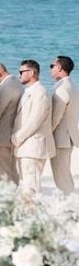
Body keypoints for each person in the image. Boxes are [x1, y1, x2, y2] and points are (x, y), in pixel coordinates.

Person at [11, 59, 55, 193]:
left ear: (31, 73)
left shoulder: (40, 92)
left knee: (31, 186)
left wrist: (17, 137)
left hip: (33, 147)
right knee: (26, 184)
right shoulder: (29, 91)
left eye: (21, 72)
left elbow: (35, 120)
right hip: (26, 147)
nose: (19, 75)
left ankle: (32, 212)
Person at [0, 62, 23, 183]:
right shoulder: (16, 82)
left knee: (2, 171)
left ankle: (7, 197)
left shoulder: (6, 86)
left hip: (2, 136)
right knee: (12, 169)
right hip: (12, 133)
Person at [50, 55, 79, 194]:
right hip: (70, 136)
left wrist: (46, 134)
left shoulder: (62, 88)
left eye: (52, 66)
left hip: (61, 139)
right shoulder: (73, 86)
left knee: (61, 177)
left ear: (60, 68)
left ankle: (70, 207)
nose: (50, 69)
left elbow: (56, 117)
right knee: (65, 174)